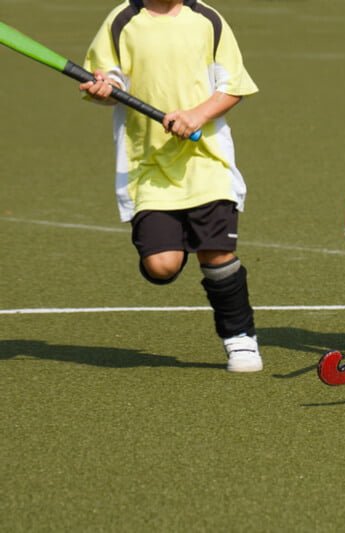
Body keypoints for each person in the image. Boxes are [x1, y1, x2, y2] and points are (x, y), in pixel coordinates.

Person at [80, 0, 262, 372]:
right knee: (162, 266)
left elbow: (234, 86)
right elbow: (106, 78)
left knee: (216, 253)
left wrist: (197, 114)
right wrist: (105, 88)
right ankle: (164, 250)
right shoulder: (122, 21)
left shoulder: (207, 20)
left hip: (206, 161)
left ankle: (240, 339)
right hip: (147, 165)